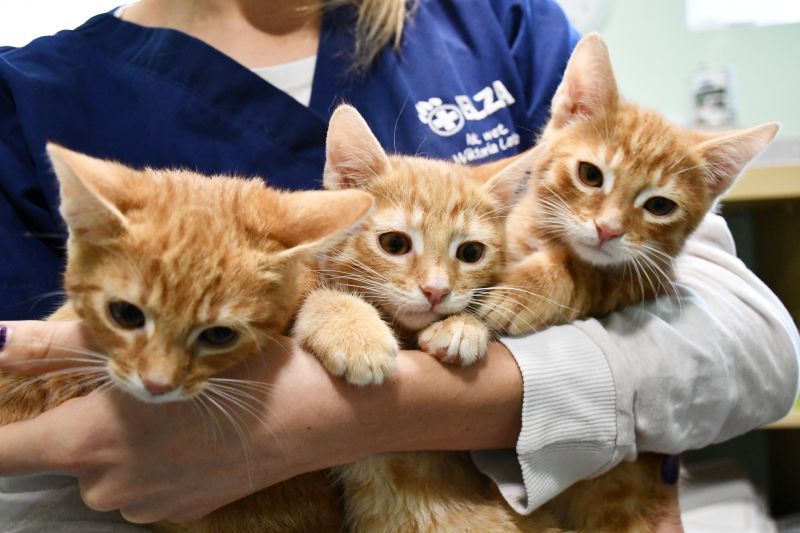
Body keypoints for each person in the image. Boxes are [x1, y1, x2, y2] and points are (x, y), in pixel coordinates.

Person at [0, 0, 796, 530]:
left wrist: (364, 413)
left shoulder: (496, 22)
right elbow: (38, 477)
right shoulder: (33, 102)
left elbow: (750, 346)